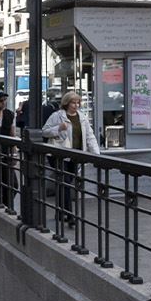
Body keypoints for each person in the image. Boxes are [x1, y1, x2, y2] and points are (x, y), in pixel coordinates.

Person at [43, 91, 100, 223]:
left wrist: (96, 155)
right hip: (59, 155)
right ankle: (69, 215)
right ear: (66, 103)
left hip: (76, 155)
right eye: (73, 103)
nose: (76, 105)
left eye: (78, 102)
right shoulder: (57, 116)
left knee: (65, 184)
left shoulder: (82, 118)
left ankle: (60, 212)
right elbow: (45, 131)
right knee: (66, 182)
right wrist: (58, 128)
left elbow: (89, 136)